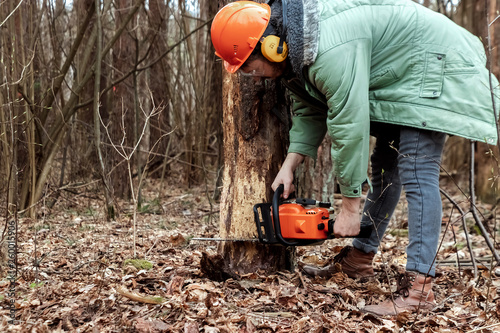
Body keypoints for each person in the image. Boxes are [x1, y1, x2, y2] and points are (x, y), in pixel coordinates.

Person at [210, 0, 499, 316]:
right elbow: (309, 111)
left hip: (434, 61)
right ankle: (359, 261)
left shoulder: (327, 49)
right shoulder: (295, 56)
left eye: (250, 67)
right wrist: (290, 164)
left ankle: (419, 290)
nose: (255, 77)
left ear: (271, 47)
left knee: (417, 169)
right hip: (401, 73)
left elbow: (349, 124)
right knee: (386, 168)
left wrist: (350, 205)